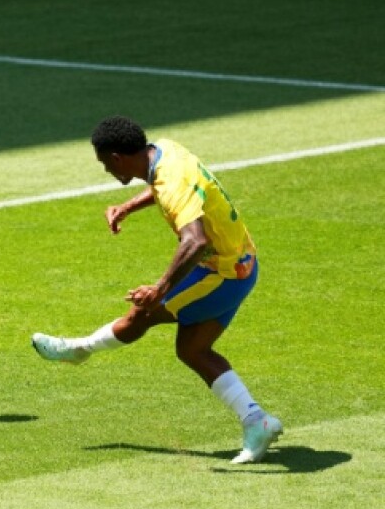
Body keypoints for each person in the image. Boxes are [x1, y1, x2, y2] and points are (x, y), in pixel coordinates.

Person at [30, 115, 283, 464]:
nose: (106, 170)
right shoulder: (165, 151)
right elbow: (170, 191)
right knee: (193, 350)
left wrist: (159, 289)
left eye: (105, 164)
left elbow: (195, 241)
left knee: (143, 313)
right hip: (242, 264)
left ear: (117, 158)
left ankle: (78, 349)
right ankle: (257, 421)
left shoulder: (169, 180)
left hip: (221, 274)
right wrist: (127, 207)